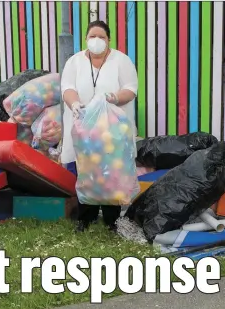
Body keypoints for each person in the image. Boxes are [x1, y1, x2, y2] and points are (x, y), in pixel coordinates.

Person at [60, 20, 138, 232]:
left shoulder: (121, 60)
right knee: (87, 170)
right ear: (86, 39)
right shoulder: (74, 62)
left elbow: (131, 89)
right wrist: (75, 103)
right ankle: (86, 218)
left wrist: (113, 97)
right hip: (84, 129)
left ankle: (112, 219)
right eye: (92, 36)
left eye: (101, 37)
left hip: (112, 129)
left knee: (112, 172)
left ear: (109, 39)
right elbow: (67, 87)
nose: (97, 41)